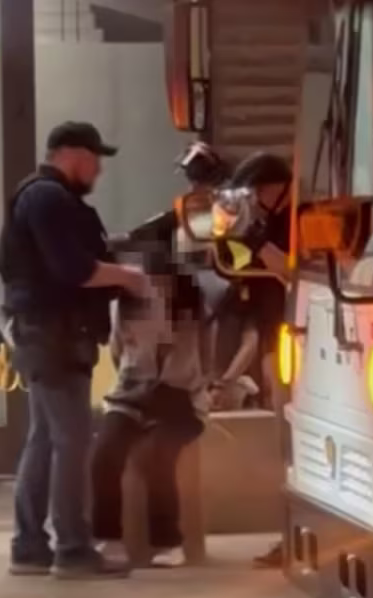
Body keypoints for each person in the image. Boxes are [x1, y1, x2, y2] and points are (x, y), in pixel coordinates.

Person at [0, 121, 150, 580]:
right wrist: (128, 277)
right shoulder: (48, 197)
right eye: (94, 157)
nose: (99, 168)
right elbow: (74, 269)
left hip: (46, 335)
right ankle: (73, 547)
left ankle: (29, 547)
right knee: (72, 442)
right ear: (70, 153)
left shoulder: (44, 197)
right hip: (55, 337)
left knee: (46, 438)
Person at [88, 142, 227, 569]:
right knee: (104, 454)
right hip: (132, 395)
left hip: (180, 398)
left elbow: (203, 356)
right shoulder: (125, 305)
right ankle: (107, 538)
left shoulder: (194, 304)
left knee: (157, 456)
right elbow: (116, 351)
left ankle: (169, 540)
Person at [216, 151, 295, 568]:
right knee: (283, 447)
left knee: (292, 448)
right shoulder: (260, 223)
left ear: (276, 188)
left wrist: (258, 241)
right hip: (272, 341)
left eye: (258, 192)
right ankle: (289, 535)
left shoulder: (303, 220)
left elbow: (294, 273)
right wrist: (230, 236)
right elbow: (237, 270)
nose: (255, 200)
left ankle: (293, 536)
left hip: (297, 343)